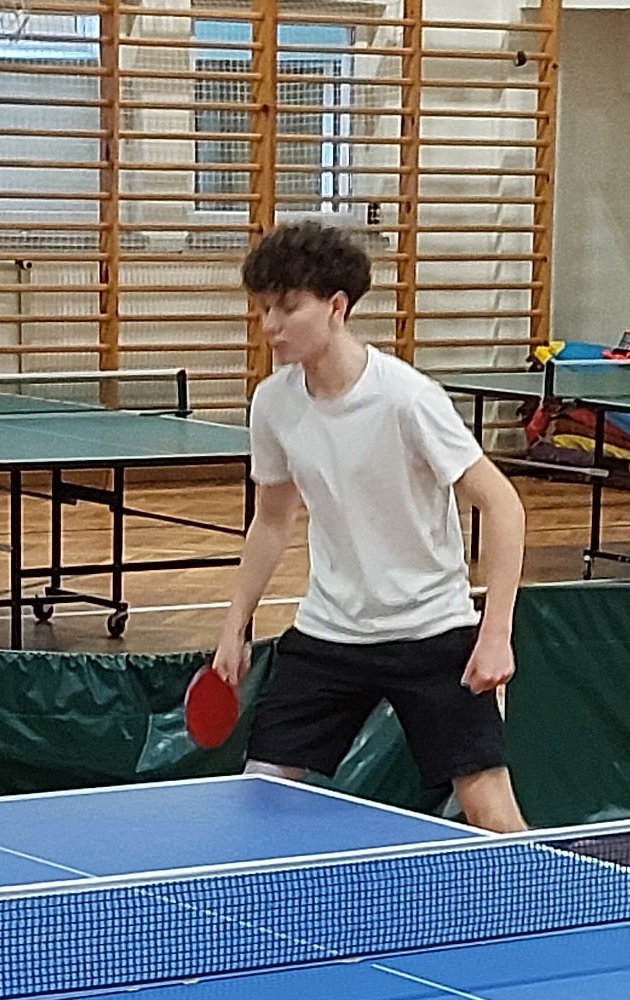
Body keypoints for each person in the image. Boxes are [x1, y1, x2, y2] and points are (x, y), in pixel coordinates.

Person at [206, 219, 529, 833]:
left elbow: (503, 505)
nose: (270, 325)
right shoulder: (272, 403)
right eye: (264, 308)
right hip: (330, 631)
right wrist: (234, 626)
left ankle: (546, 892)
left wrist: (495, 635)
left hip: (432, 629)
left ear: (336, 307)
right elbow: (271, 521)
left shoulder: (408, 399)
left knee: (488, 808)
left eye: (287, 308)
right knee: (260, 795)